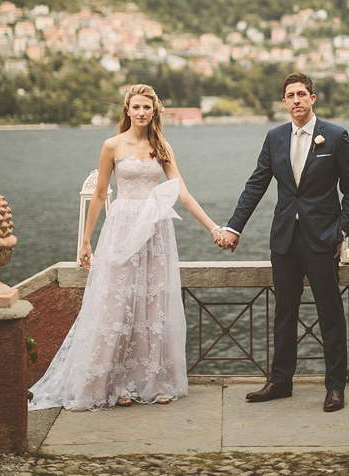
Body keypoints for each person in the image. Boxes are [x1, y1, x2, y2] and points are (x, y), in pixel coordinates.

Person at [29, 84, 219, 410]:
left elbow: (181, 193)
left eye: (147, 107)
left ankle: (154, 380)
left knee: (152, 303)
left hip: (156, 230)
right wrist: (86, 241)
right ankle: (118, 384)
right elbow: (101, 194)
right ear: (127, 110)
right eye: (136, 107)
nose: (142, 112)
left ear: (154, 111)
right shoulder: (112, 145)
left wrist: (214, 228)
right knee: (118, 303)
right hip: (121, 228)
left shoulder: (162, 146)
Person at [214, 72, 349, 412]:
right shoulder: (274, 137)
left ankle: (335, 387)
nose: (296, 100)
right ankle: (281, 381)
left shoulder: (336, 136)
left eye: (302, 94)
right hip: (284, 239)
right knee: (284, 312)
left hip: (323, 239)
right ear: (283, 102)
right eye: (290, 95)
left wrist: (341, 233)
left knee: (330, 314)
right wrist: (234, 228)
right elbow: (256, 184)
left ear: (313, 98)